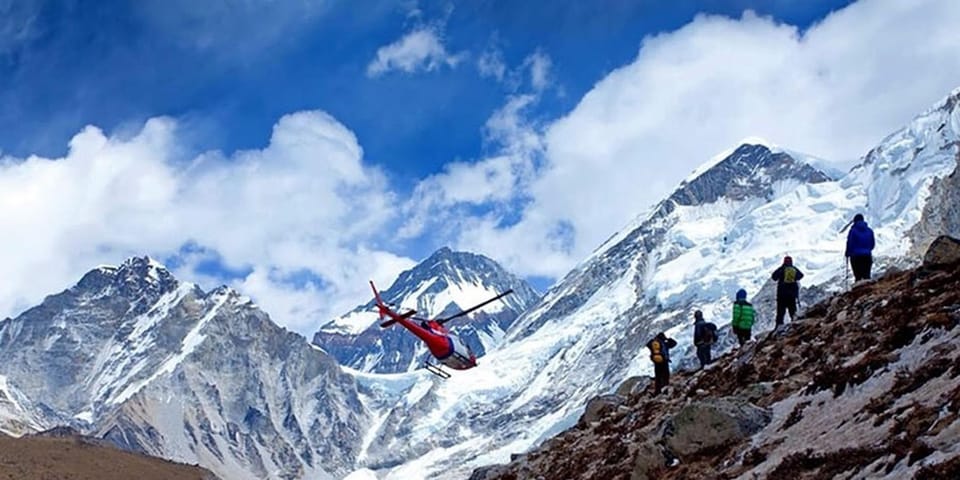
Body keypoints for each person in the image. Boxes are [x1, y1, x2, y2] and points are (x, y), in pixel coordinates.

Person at [771, 256, 804, 327]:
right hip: (792, 295)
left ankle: (778, 328)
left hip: (782, 295)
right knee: (792, 312)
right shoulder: (794, 269)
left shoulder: (781, 269)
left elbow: (774, 277)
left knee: (780, 313)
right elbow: (801, 275)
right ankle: (795, 326)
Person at [846, 213, 876, 282]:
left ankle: (859, 291)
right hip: (867, 256)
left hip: (856, 257)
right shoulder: (869, 231)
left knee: (858, 277)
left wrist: (848, 253)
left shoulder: (853, 231)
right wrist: (867, 250)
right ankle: (869, 291)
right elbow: (872, 244)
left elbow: (850, 243)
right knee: (867, 276)